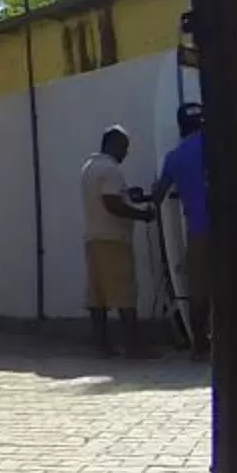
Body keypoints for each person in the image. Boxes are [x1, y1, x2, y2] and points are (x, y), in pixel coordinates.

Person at [78, 126, 152, 356]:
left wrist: (129, 197)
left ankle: (102, 346)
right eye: (125, 148)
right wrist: (142, 214)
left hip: (93, 238)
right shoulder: (110, 170)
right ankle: (134, 347)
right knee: (124, 294)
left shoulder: (89, 167)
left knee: (97, 296)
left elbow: (108, 198)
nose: (126, 153)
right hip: (114, 240)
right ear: (115, 145)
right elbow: (111, 203)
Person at [151, 104, 211, 357]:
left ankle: (199, 345)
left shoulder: (174, 157)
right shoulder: (216, 145)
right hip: (230, 228)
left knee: (198, 291)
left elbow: (158, 194)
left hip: (198, 230)